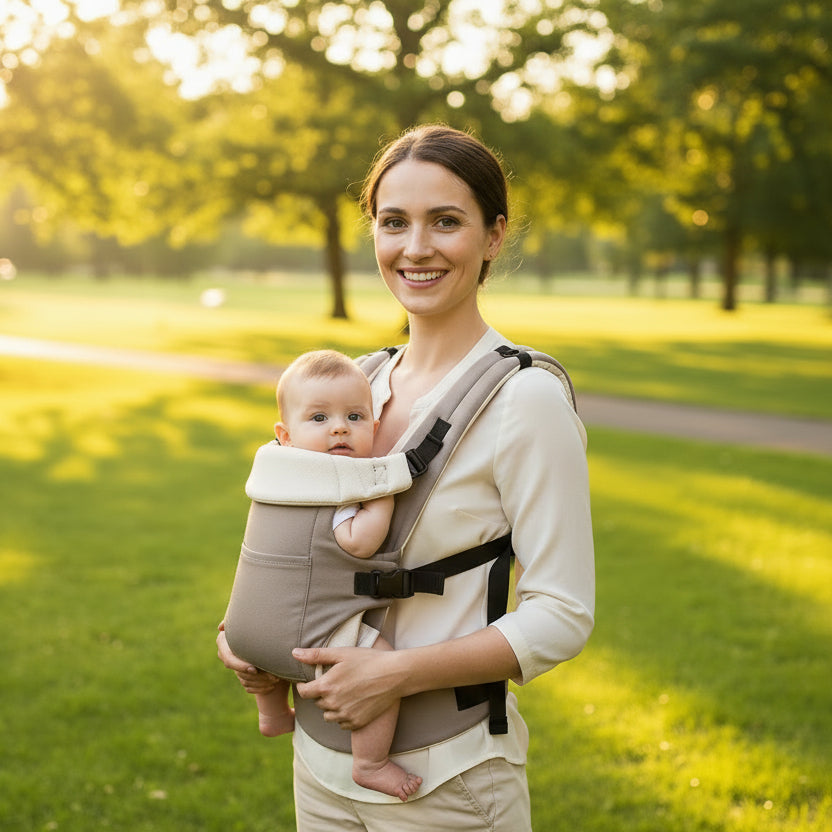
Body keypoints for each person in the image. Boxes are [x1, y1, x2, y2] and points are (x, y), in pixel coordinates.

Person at [217, 124, 595, 831]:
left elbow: (563, 613)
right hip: (319, 767)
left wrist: (393, 674)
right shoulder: (351, 386)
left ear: (493, 236)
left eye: (445, 221)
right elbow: (292, 543)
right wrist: (246, 638)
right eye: (394, 222)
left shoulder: (527, 399)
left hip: (447, 782)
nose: (415, 248)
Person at [247, 348, 422, 803]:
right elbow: (358, 543)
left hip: (246, 628)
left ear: (374, 428)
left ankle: (271, 713)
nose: (340, 427)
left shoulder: (273, 472)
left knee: (266, 655)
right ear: (285, 434)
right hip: (310, 632)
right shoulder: (341, 480)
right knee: (378, 654)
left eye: (355, 416)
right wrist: (382, 493)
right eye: (320, 418)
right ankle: (370, 763)